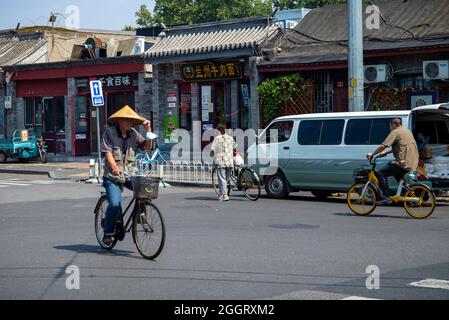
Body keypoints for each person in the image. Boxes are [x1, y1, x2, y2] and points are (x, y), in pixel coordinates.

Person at [101, 105, 154, 246]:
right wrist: (114, 168)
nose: (130, 123)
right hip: (113, 176)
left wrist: (148, 129)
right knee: (114, 204)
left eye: (132, 120)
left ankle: (140, 216)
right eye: (127, 120)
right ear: (120, 120)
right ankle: (108, 233)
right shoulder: (109, 133)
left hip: (130, 173)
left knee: (144, 192)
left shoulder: (134, 134)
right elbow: (107, 152)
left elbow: (147, 146)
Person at [367, 118, 419, 205]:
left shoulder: (395, 132)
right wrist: (387, 152)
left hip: (403, 162)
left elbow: (384, 145)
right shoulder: (407, 131)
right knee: (398, 175)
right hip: (413, 161)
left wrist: (372, 154)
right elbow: (401, 146)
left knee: (380, 173)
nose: (390, 127)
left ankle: (385, 196)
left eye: (390, 125)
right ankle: (408, 194)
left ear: (393, 125)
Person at [210, 124, 237, 201]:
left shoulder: (217, 138)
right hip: (230, 161)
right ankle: (221, 194)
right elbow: (235, 148)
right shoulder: (230, 138)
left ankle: (225, 195)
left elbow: (212, 150)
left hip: (221, 161)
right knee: (226, 179)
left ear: (218, 131)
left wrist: (212, 154)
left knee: (222, 179)